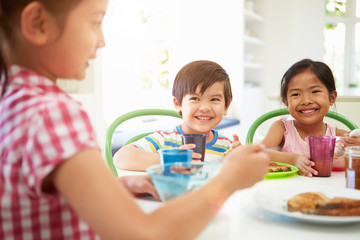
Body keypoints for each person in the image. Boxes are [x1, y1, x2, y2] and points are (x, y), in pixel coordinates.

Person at [0, 0, 269, 239]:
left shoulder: (13, 100)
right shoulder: (51, 112)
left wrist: (114, 188)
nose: (102, 40)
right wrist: (229, 181)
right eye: (95, 22)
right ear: (38, 23)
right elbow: (146, 234)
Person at [114, 60, 242, 171]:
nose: (205, 108)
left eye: (214, 99)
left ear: (226, 106)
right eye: (195, 98)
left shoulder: (227, 146)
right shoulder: (164, 140)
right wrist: (172, 160)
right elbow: (121, 157)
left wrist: (241, 160)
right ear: (177, 104)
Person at [261, 59, 357, 177]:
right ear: (286, 103)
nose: (306, 101)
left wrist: (356, 148)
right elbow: (258, 153)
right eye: (296, 94)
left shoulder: (340, 138)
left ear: (332, 98)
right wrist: (293, 159)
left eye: (315, 91)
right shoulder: (281, 129)